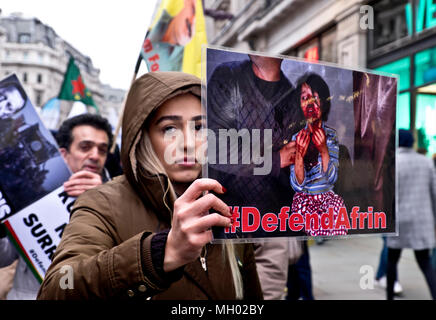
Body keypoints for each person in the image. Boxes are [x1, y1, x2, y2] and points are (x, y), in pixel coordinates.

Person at [37, 71, 263, 300]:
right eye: (169, 129)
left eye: (200, 127)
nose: (187, 144)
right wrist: (159, 254)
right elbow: (57, 288)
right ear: (142, 136)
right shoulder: (102, 203)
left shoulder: (228, 203)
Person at [207, 53, 304, 299]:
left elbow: (295, 173)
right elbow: (217, 148)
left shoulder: (292, 96)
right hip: (227, 223)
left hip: (272, 226)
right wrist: (274, 159)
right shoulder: (228, 77)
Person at [0, 113, 113, 299]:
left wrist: (105, 199)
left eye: (102, 150)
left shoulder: (119, 197)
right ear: (63, 153)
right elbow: (4, 257)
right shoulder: (32, 192)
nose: (95, 156)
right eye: (85, 147)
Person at [289, 73, 347, 237]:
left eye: (315, 96)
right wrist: (299, 154)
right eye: (304, 98)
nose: (310, 103)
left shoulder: (331, 136)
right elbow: (297, 186)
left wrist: (323, 150)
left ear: (323, 101)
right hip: (304, 207)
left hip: (329, 206)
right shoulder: (296, 138)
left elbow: (332, 178)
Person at [386, 129, 436, 300]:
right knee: (425, 263)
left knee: (392, 260)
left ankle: (389, 296)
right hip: (421, 221)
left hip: (398, 220)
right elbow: (434, 193)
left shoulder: (392, 162)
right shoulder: (426, 162)